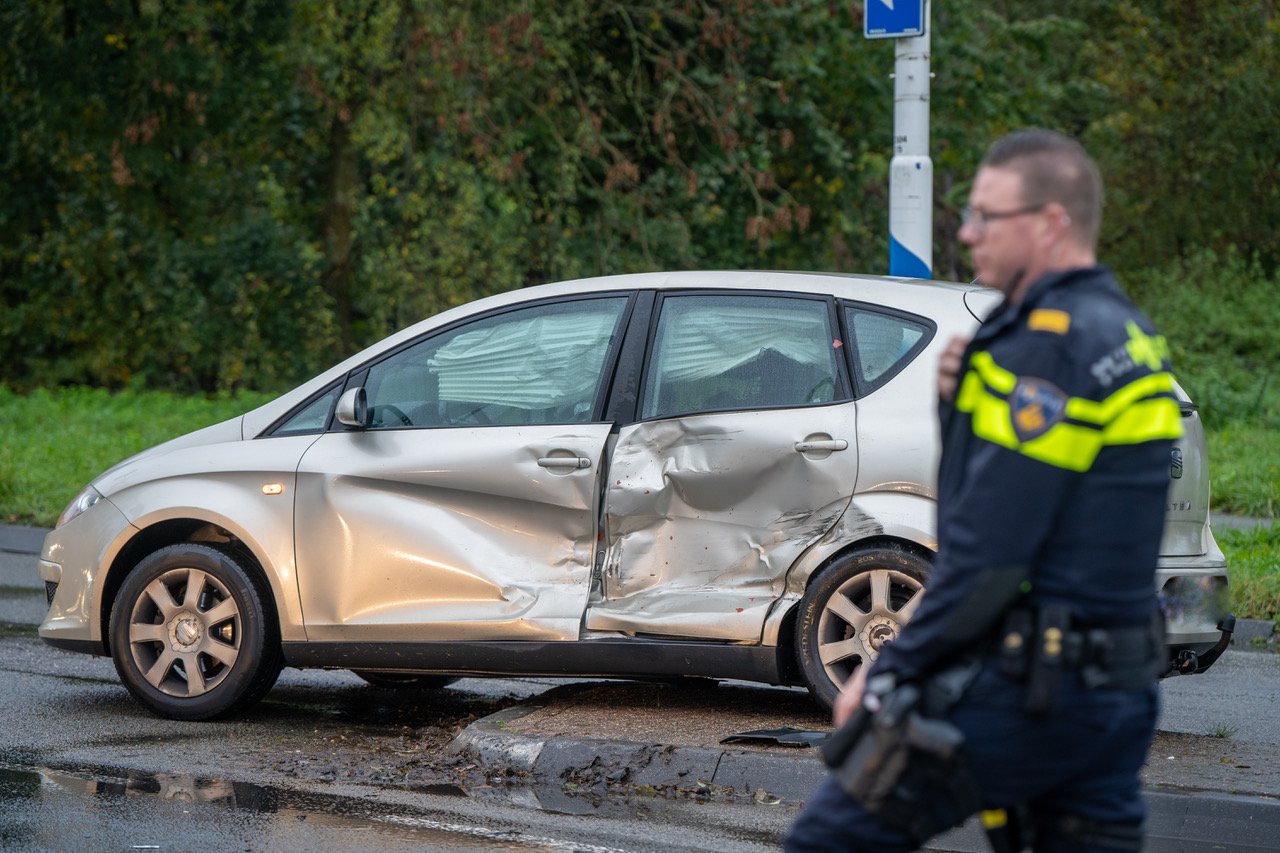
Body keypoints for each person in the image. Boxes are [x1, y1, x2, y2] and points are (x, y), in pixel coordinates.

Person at [785, 129, 1183, 852]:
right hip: (1117, 687)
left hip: (1034, 688)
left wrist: (885, 675)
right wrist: (955, 402)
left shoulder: (1044, 345)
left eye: (985, 216)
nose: (967, 234)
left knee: (828, 841)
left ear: (1050, 220)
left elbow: (989, 548)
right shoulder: (1125, 330)